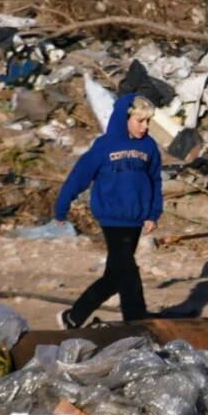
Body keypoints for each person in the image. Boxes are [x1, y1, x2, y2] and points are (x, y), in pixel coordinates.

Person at [53, 94, 163, 329]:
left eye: (148, 122)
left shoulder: (149, 146)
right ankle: (137, 322)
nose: (145, 127)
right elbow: (79, 176)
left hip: (135, 220)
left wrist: (153, 213)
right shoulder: (105, 145)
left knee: (115, 277)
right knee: (129, 272)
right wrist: (62, 207)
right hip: (112, 219)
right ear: (124, 119)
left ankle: (73, 317)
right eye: (140, 121)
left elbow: (155, 180)